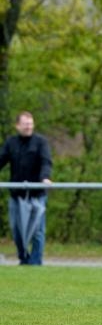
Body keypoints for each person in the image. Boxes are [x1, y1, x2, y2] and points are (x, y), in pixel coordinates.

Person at [0, 111, 52, 265]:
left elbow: (46, 162)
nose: (28, 127)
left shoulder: (41, 142)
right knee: (17, 230)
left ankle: (35, 262)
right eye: (25, 124)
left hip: (37, 194)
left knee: (37, 231)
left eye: (30, 124)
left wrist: (45, 177)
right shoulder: (11, 143)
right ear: (18, 126)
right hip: (17, 194)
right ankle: (24, 258)